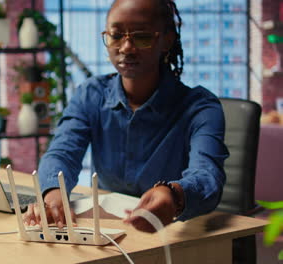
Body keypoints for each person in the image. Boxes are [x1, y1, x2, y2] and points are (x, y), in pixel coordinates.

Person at [23, 0, 229, 233]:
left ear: (167, 40)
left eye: (141, 37)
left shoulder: (200, 107)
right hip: (108, 229)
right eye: (116, 35)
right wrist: (53, 193)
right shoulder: (91, 95)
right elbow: (62, 152)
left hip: (171, 233)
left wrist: (174, 194)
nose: (126, 47)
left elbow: (207, 175)